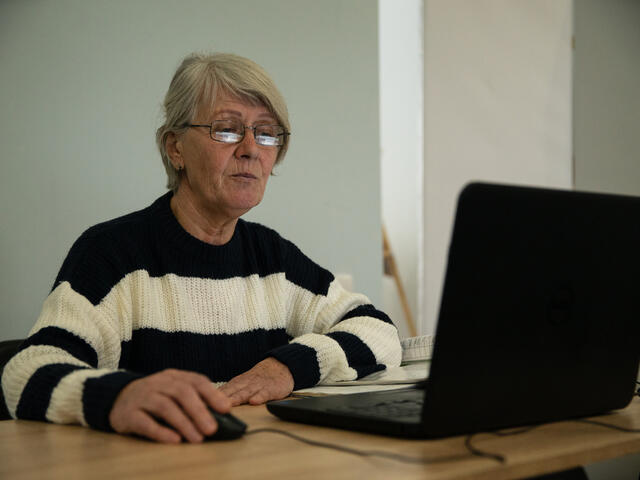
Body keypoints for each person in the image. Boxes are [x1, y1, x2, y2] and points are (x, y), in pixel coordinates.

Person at [1, 52, 401, 443]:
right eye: (226, 129)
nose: (250, 149)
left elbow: (379, 330)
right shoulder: (113, 253)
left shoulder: (273, 259)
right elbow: (26, 372)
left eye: (266, 133)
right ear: (175, 148)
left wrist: (288, 367)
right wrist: (119, 395)